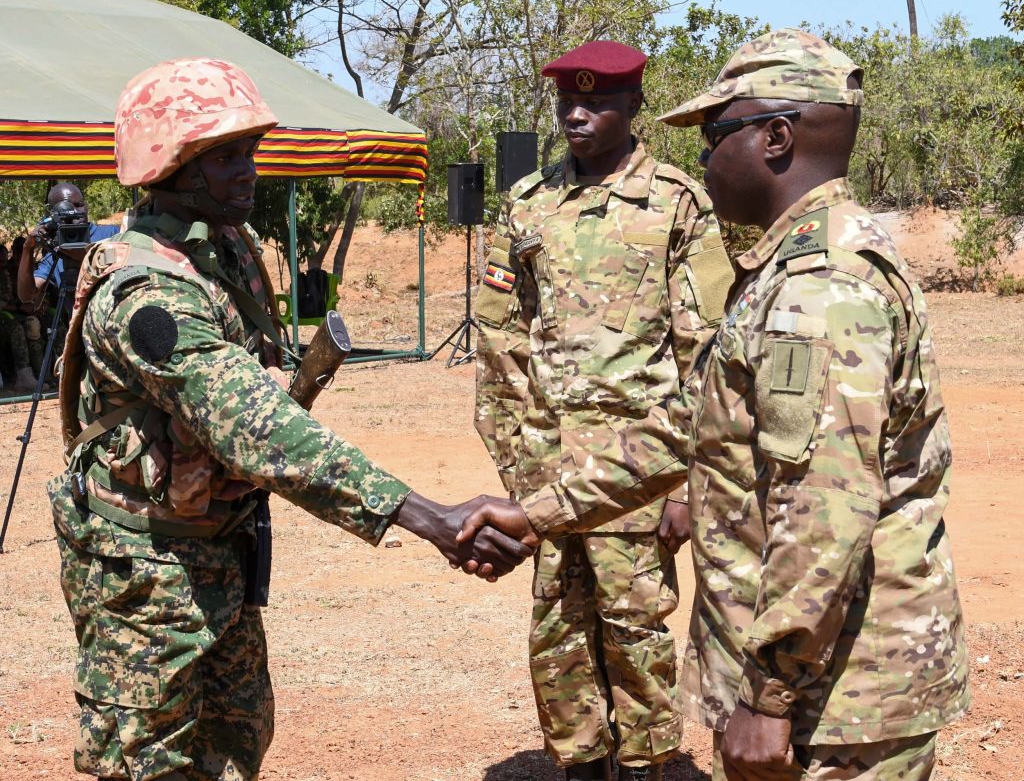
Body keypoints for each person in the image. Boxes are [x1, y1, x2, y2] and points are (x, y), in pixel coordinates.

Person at [49, 56, 534, 781]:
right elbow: (261, 429)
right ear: (170, 164)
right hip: (146, 579)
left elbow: (256, 385)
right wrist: (429, 518)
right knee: (152, 761)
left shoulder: (226, 251)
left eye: (249, 151)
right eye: (223, 157)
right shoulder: (145, 292)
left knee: (238, 742)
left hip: (223, 553)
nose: (248, 170)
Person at [656, 28, 970, 780]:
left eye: (713, 132)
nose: (702, 158)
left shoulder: (819, 286)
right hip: (827, 683)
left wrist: (768, 695)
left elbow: (824, 502)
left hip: (836, 698)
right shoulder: (798, 262)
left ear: (775, 137)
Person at [473, 41, 733, 781]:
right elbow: (498, 339)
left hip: (638, 469)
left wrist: (685, 486)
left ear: (633, 107)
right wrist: (522, 470)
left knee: (637, 632)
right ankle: (582, 767)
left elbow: (703, 353)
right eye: (566, 103)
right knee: (557, 630)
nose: (576, 115)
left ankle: (649, 766)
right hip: (547, 470)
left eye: (596, 102)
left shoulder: (679, 203)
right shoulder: (527, 205)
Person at [0, 242, 38, 390]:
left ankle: (43, 373)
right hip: (8, 314)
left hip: (18, 311)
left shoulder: (14, 272)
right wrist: (18, 307)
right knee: (16, 328)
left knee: (37, 325)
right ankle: (23, 374)